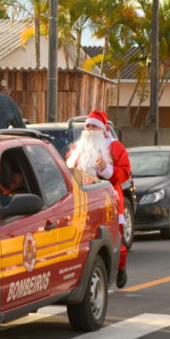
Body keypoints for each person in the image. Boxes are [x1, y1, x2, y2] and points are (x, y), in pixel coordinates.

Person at [68, 110, 131, 288]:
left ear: (103, 129)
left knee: (114, 237)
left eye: (93, 126)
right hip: (82, 200)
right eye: (87, 126)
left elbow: (124, 173)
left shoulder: (115, 147)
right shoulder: (77, 148)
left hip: (107, 199)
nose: (89, 129)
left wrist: (106, 169)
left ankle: (120, 267)